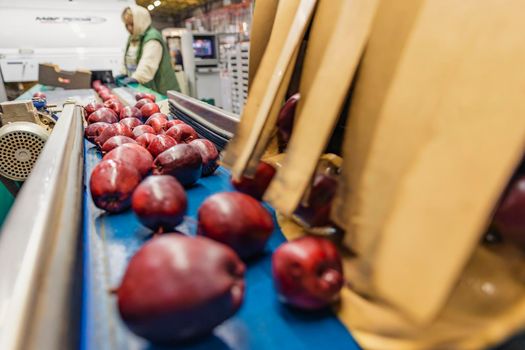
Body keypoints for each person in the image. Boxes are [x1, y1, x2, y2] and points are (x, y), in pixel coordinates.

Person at [118, 5, 180, 95]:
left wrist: (136, 77)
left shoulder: (152, 38)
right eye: (127, 25)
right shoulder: (133, 37)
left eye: (132, 24)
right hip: (145, 89)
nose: (129, 28)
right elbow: (127, 57)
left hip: (160, 90)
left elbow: (148, 63)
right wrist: (124, 72)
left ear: (141, 21)